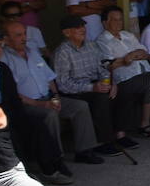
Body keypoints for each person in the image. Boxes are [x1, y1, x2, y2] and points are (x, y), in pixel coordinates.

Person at [0, 28, 71, 185]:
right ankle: (25, 173)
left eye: (0, 45)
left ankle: (51, 167)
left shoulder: (3, 69)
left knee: (40, 120)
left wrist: (18, 116)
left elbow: (13, 98)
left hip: (8, 113)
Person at [0, 20, 103, 166]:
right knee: (49, 114)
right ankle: (56, 159)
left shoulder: (32, 51)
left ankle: (85, 151)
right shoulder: (4, 59)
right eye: (18, 35)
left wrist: (56, 97)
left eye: (24, 34)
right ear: (6, 39)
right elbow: (12, 93)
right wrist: (40, 104)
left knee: (80, 107)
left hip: (48, 98)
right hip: (27, 104)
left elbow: (49, 78)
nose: (24, 38)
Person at [95, 6, 150, 139]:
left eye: (120, 20)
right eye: (114, 20)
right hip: (126, 78)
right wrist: (126, 59)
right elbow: (109, 64)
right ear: (105, 23)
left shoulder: (128, 35)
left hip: (145, 71)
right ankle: (144, 124)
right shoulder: (101, 41)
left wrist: (132, 55)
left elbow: (145, 53)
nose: (119, 23)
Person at [53, 16, 129, 153]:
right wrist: (92, 88)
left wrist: (111, 83)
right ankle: (104, 142)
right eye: (77, 27)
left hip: (94, 84)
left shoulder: (91, 45)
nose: (82, 29)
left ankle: (120, 135)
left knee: (121, 91)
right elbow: (63, 84)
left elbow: (102, 68)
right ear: (66, 32)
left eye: (83, 26)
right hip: (75, 91)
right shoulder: (62, 52)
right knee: (101, 99)